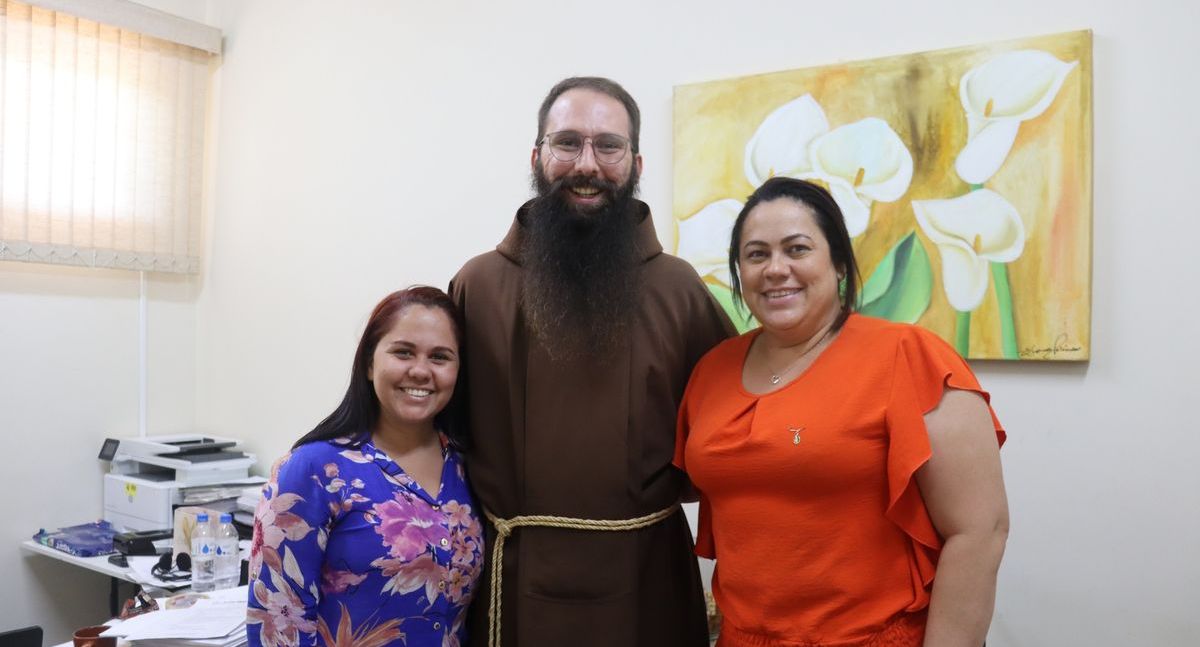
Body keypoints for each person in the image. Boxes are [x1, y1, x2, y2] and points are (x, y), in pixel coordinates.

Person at [448, 77, 733, 647]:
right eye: (567, 143)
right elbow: (432, 431)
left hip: (646, 578)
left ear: (635, 163)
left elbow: (736, 428)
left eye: (608, 146)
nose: (587, 164)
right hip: (511, 578)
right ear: (536, 156)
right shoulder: (477, 284)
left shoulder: (678, 289)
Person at [674, 177, 1009, 647]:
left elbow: (979, 531)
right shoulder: (712, 371)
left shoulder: (909, 356)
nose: (776, 269)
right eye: (756, 254)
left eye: (797, 249)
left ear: (838, 264)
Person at [247, 287, 483, 647]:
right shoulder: (313, 470)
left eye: (440, 357)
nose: (420, 371)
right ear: (370, 364)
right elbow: (277, 623)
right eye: (403, 352)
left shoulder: (471, 469)